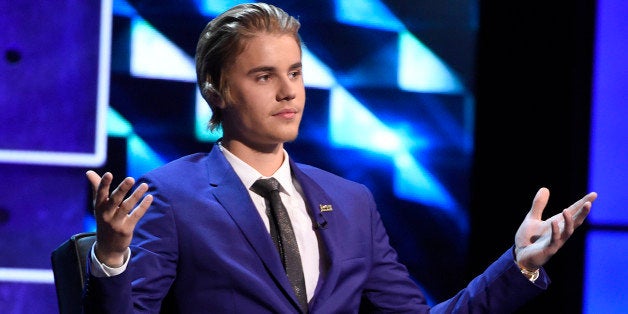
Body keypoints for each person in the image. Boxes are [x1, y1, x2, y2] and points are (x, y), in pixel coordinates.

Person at [83, 3, 598, 313]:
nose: (289, 92)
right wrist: (110, 256)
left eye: (296, 72)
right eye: (264, 76)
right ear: (216, 90)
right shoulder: (171, 195)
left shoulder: (350, 202)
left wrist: (518, 265)